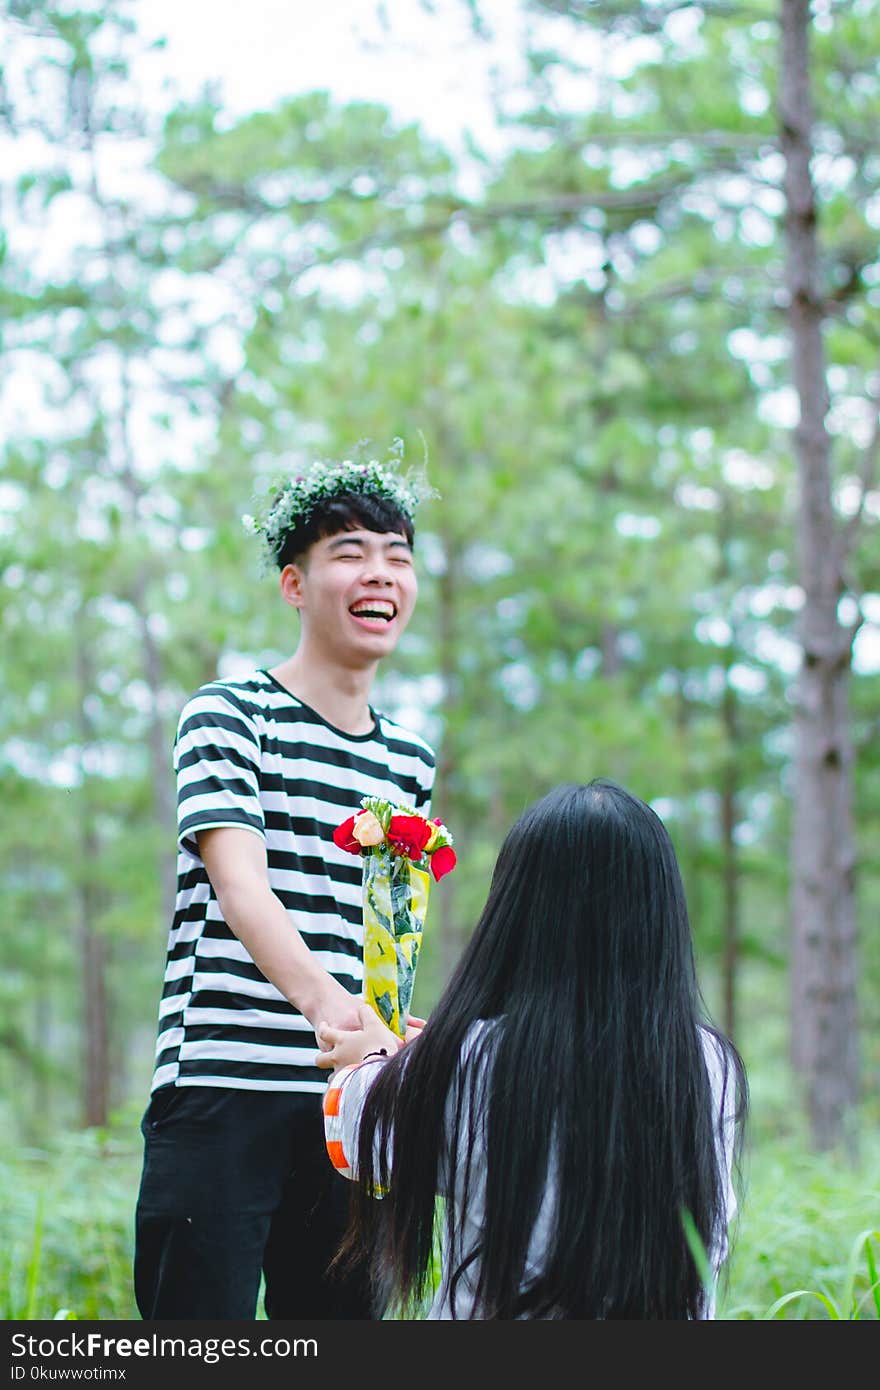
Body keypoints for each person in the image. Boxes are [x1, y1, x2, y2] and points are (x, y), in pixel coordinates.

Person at [133, 449, 438, 1320]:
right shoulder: (230, 714)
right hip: (222, 1092)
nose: (379, 573)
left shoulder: (408, 758)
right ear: (295, 586)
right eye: (350, 552)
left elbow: (388, 926)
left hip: (351, 1102)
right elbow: (241, 887)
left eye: (397, 555)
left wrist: (389, 1027)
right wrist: (332, 1009)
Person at [315, 779, 749, 1320]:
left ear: (516, 915)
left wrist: (378, 1059)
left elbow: (357, 1136)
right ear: (659, 916)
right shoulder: (710, 1066)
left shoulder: (469, 1060)